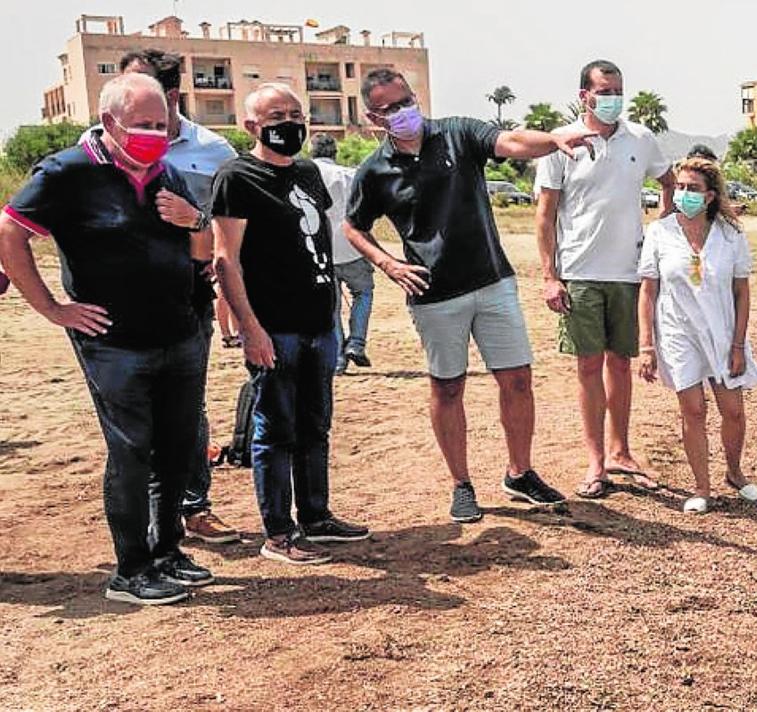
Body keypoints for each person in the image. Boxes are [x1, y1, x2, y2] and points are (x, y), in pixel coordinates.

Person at [344, 68, 595, 523]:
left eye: (405, 101)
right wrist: (388, 264)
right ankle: (461, 484)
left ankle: (520, 473)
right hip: (435, 296)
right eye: (389, 109)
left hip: (492, 281)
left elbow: (511, 142)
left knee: (517, 380)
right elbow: (353, 226)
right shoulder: (375, 171)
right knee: (448, 387)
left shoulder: (457, 133)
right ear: (372, 117)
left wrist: (553, 139)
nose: (401, 113)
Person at [0, 73, 213, 604]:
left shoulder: (167, 173)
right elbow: (10, 232)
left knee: (179, 447)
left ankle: (167, 550)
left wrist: (195, 221)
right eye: (142, 125)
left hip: (180, 332)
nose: (154, 135)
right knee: (132, 450)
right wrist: (52, 308)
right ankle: (131, 569)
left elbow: (202, 250)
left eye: (161, 125)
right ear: (109, 123)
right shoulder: (67, 173)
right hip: (114, 343)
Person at [80, 48, 241, 544]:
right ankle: (152, 523)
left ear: (171, 95)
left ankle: (192, 507)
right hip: (122, 308)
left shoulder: (214, 152)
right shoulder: (95, 146)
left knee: (185, 410)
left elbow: (229, 226)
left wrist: (194, 223)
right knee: (135, 418)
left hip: (188, 298)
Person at [213, 83, 370, 565]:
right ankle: (278, 533)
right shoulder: (236, 178)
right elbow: (225, 260)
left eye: (295, 113)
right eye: (275, 115)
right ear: (251, 127)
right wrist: (249, 328)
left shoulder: (307, 173)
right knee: (275, 430)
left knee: (314, 425)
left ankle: (316, 517)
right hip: (273, 327)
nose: (289, 122)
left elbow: (316, 242)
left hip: (318, 324)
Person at [535, 59, 674, 499]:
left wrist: (659, 233)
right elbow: (545, 214)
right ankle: (596, 462)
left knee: (621, 364)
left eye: (618, 90)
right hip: (579, 273)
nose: (612, 98)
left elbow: (670, 182)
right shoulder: (563, 141)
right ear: (585, 96)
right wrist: (549, 276)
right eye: (604, 91)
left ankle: (621, 451)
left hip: (629, 273)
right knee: (588, 366)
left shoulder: (641, 139)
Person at [637, 158, 757, 513]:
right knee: (693, 410)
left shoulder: (731, 234)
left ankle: (735, 472)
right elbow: (648, 291)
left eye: (692, 189)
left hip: (722, 334)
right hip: (678, 333)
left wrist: (738, 344)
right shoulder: (660, 232)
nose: (684, 194)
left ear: (710, 196)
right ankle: (702, 488)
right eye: (680, 187)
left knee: (733, 411)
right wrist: (647, 345)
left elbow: (742, 291)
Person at [310, 134, 373, 375]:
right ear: (334, 152)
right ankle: (356, 343)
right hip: (353, 247)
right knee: (363, 293)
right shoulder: (350, 175)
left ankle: (337, 359)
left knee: (331, 306)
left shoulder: (305, 174)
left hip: (319, 252)